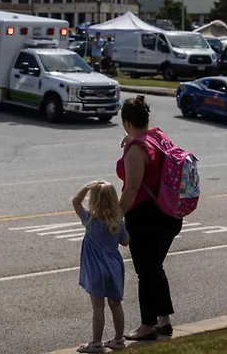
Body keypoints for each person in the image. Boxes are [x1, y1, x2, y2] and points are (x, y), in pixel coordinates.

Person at [116, 95, 184, 341]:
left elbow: (131, 189)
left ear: (126, 122)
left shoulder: (136, 149)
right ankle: (164, 322)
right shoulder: (159, 136)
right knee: (155, 268)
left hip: (147, 218)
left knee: (146, 272)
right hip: (170, 214)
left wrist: (115, 217)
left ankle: (147, 326)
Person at [72, 180, 131, 353]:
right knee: (116, 304)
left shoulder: (90, 220)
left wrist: (87, 187)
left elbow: (75, 202)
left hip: (95, 268)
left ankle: (96, 343)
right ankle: (119, 339)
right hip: (114, 267)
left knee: (98, 306)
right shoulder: (117, 222)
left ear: (94, 201)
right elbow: (126, 242)